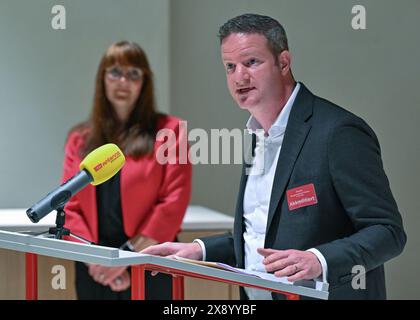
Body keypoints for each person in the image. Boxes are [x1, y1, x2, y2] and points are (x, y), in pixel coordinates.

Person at [142, 14, 406, 300]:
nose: (239, 77)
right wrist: (198, 250)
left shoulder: (338, 132)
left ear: (283, 62)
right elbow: (261, 236)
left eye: (251, 62)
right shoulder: (256, 136)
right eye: (230, 67)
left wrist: (319, 260)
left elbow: (387, 232)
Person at [61, 41, 192, 299]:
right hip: (93, 265)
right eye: (115, 72)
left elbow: (172, 202)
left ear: (144, 82)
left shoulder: (170, 130)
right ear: (102, 79)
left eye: (133, 74)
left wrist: (125, 259)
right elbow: (70, 206)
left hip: (149, 260)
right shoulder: (80, 138)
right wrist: (99, 262)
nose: (123, 81)